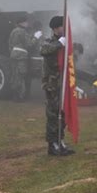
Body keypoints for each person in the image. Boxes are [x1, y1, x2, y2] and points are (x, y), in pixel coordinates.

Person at [40, 16, 74, 156]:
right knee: (53, 114)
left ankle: (60, 140)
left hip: (63, 84)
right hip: (52, 84)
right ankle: (52, 144)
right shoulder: (49, 41)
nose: (63, 29)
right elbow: (44, 50)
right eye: (61, 26)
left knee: (63, 113)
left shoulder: (64, 41)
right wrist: (59, 44)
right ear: (55, 28)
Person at [8, 15, 42, 101]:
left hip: (13, 55)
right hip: (21, 57)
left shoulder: (13, 31)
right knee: (20, 74)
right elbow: (29, 45)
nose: (27, 23)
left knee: (15, 75)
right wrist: (36, 37)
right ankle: (18, 97)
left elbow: (10, 44)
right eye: (26, 22)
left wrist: (13, 53)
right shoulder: (22, 32)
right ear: (21, 23)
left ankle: (14, 95)